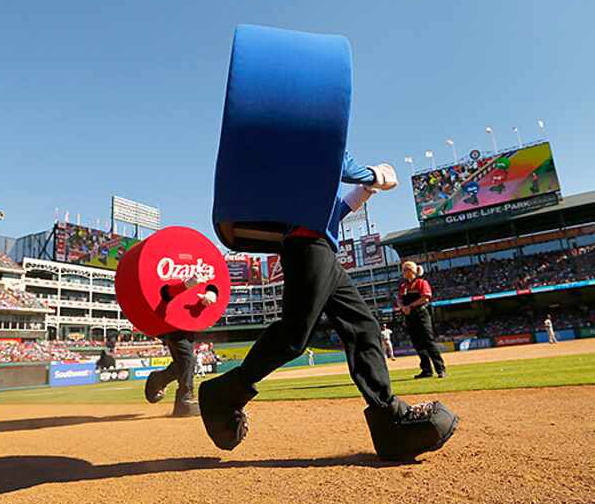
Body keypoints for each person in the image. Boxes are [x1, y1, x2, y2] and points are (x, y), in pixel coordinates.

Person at [201, 157, 459, 460]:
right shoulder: (307, 140)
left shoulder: (311, 179)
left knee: (364, 327)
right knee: (295, 336)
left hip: (320, 245)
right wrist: (373, 174)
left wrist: (365, 189)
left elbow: (330, 210)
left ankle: (389, 421)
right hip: (307, 246)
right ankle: (224, 394)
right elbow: (335, 163)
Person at [145, 279, 218, 417]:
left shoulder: (202, 268)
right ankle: (185, 397)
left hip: (187, 323)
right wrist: (188, 283)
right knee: (187, 359)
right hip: (172, 323)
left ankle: (160, 379)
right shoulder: (170, 274)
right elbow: (166, 292)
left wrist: (211, 293)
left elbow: (216, 284)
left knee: (183, 364)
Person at [398, 261, 446, 379]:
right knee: (417, 344)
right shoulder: (403, 286)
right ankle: (426, 370)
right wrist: (403, 307)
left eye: (404, 270)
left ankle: (440, 369)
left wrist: (410, 306)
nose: (403, 272)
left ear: (411, 271)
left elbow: (425, 298)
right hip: (409, 316)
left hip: (421, 314)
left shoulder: (421, 283)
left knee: (428, 341)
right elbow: (399, 299)